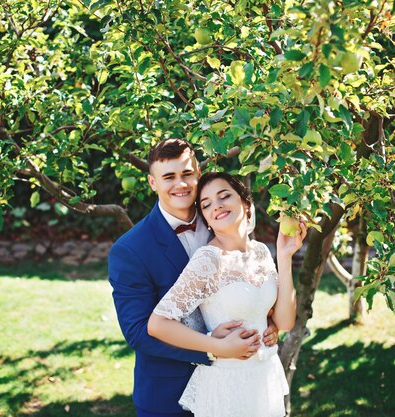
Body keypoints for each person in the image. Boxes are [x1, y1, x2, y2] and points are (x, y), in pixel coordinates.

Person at [108, 139, 279, 417]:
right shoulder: (130, 250)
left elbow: (246, 278)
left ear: (198, 172)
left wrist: (264, 320)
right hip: (169, 396)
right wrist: (214, 347)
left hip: (239, 387)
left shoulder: (223, 215)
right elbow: (139, 332)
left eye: (187, 173)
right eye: (169, 177)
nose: (181, 184)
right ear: (153, 183)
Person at [148, 171, 307, 417]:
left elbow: (285, 322)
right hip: (227, 384)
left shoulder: (261, 252)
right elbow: (158, 324)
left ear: (246, 203)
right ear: (207, 220)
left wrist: (284, 256)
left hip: (263, 377)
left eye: (224, 196)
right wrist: (216, 346)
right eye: (207, 204)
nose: (217, 206)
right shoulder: (208, 260)